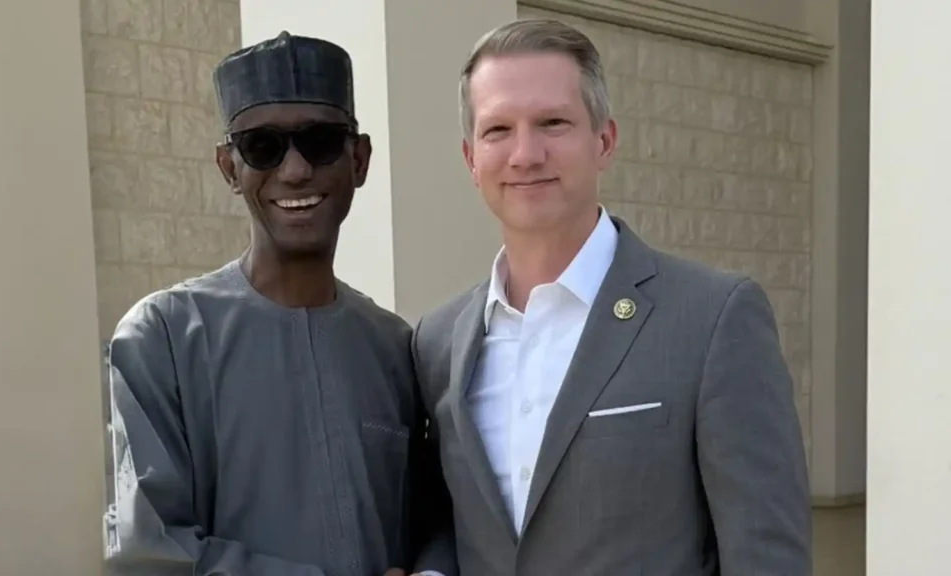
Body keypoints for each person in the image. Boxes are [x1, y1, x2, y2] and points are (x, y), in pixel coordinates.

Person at [411, 18, 812, 575]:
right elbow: (449, 519)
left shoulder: (713, 319)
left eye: (552, 123)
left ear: (604, 141)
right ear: (470, 158)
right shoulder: (437, 342)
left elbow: (766, 553)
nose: (525, 153)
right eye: (498, 129)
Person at [103, 31, 454, 576]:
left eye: (321, 141)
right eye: (262, 146)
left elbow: (436, 517)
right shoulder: (164, 337)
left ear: (359, 160)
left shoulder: (393, 347)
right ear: (229, 167)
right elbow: (149, 552)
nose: (294, 170)